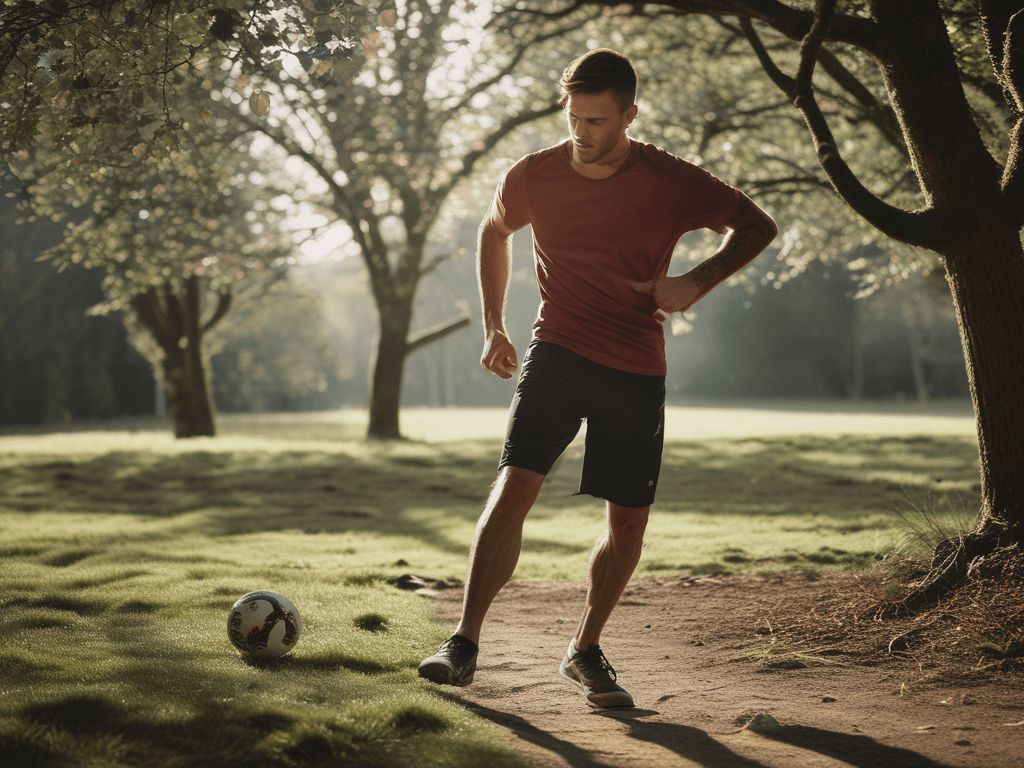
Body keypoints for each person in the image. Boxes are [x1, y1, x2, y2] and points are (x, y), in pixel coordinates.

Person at [418, 48, 778, 708]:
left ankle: (584, 649)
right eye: (573, 117)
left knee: (629, 523)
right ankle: (463, 643)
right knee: (516, 481)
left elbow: (758, 226)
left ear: (629, 116)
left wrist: (695, 281)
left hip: (636, 365)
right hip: (557, 350)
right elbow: (492, 232)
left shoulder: (670, 180)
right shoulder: (534, 175)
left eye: (596, 121)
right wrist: (494, 327)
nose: (580, 133)